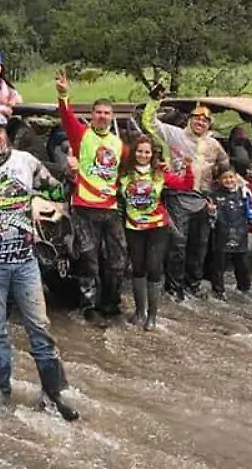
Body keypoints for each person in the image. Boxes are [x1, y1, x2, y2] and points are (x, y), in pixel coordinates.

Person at [0, 112, 79, 421]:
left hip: (25, 262)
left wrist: (72, 175)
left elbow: (57, 192)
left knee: (40, 327)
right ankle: (1, 393)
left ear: (6, 133)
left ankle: (54, 393)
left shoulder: (27, 162)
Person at [141, 93, 229, 300]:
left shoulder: (214, 144)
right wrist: (154, 100)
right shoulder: (175, 134)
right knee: (178, 244)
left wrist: (235, 182)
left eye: (205, 120)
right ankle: (174, 287)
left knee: (199, 245)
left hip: (202, 196)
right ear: (189, 119)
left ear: (209, 124)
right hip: (177, 194)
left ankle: (194, 285)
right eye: (197, 118)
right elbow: (149, 122)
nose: (200, 122)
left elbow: (225, 166)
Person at [55, 70, 127, 322]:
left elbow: (130, 172)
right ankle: (89, 307)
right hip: (84, 206)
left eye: (107, 113)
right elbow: (66, 115)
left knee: (118, 259)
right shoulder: (81, 135)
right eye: (99, 112)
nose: (103, 116)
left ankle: (111, 303)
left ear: (112, 117)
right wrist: (63, 93)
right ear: (92, 115)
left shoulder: (119, 144)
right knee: (89, 258)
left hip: (111, 207)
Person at [118, 136, 193, 330]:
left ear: (152, 155)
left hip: (157, 226)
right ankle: (139, 312)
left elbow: (185, 185)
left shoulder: (159, 173)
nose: (143, 155)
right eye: (140, 151)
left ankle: (152, 316)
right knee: (138, 268)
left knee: (154, 267)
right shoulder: (124, 173)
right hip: (133, 226)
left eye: (147, 152)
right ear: (134, 153)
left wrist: (188, 168)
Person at [207, 165, 252, 299]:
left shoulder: (244, 193)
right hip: (221, 236)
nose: (228, 180)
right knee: (219, 266)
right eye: (225, 178)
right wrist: (211, 211)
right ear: (219, 180)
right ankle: (218, 292)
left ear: (236, 177)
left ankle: (244, 291)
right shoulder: (214, 196)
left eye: (231, 177)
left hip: (240, 236)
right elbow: (211, 220)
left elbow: (251, 211)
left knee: (243, 266)